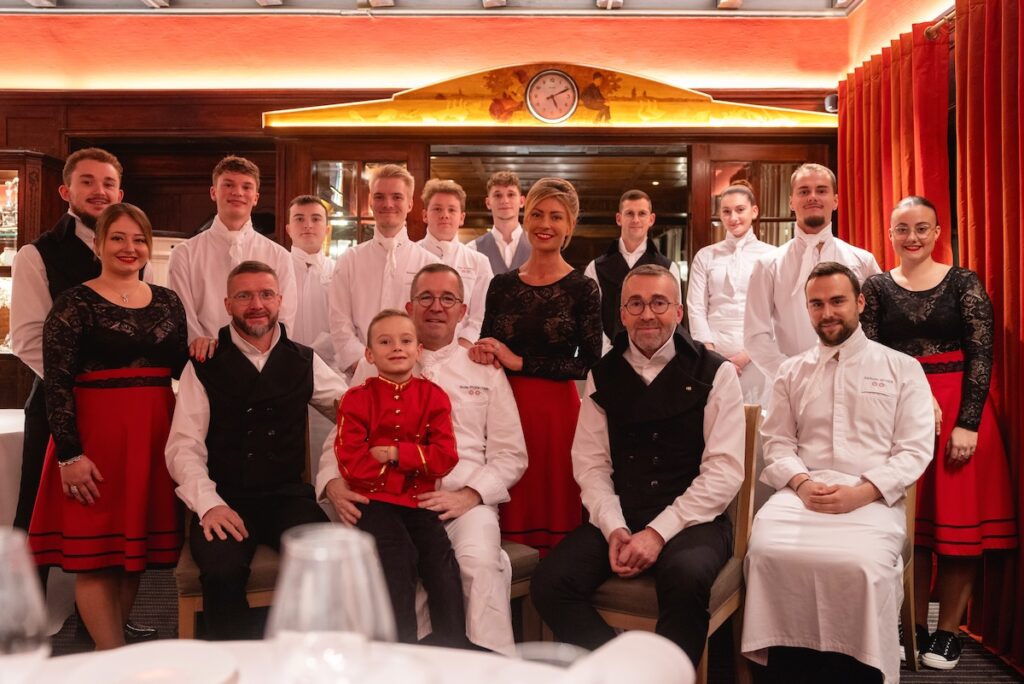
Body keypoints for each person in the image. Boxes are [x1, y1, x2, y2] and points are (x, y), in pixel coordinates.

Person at [531, 264, 745, 665]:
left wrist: (658, 534)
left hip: (692, 520)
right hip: (622, 513)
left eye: (659, 303)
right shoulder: (603, 373)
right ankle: (621, 671)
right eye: (636, 304)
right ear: (623, 314)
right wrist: (614, 526)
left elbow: (724, 471)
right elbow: (591, 464)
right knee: (550, 583)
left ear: (678, 312)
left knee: (685, 579)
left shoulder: (716, 372)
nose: (648, 314)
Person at [318, 264, 528, 654]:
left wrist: (470, 496)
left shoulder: (483, 368)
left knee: (478, 563)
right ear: (410, 306)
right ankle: (393, 666)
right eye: (426, 297)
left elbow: (511, 453)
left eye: (447, 298)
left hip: (463, 502)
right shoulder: (375, 362)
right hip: (388, 498)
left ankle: (484, 669)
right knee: (384, 563)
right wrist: (331, 484)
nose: (436, 306)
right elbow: (341, 436)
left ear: (462, 311)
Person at [742, 262, 934, 684]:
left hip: (873, 500)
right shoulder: (791, 371)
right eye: (817, 304)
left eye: (837, 301)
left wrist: (862, 492)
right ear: (807, 310)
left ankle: (857, 670)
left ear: (859, 303)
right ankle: (785, 670)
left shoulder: (902, 368)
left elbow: (914, 449)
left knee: (859, 565)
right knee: (767, 553)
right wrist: (802, 484)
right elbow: (777, 442)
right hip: (801, 495)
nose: (827, 312)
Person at [861, 196, 1017, 670]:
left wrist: (967, 423)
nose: (912, 237)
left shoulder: (964, 282)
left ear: (936, 233)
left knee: (957, 529)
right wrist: (912, 391)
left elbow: (982, 354)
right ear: (891, 234)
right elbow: (868, 353)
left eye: (921, 228)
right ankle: (911, 626)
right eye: (902, 229)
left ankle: (948, 632)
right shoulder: (876, 287)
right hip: (895, 412)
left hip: (959, 411)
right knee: (908, 528)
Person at [10, 148, 157, 643]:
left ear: (121, 192)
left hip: (123, 412)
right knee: (36, 518)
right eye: (88, 181)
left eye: (108, 183)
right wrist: (78, 388)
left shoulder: (132, 248)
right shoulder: (37, 254)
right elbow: (27, 338)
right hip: (58, 406)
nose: (100, 191)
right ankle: (24, 629)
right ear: (65, 191)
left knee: (114, 516)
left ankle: (104, 625)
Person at [26, 203, 186, 650]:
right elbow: (56, 384)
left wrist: (209, 346)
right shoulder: (73, 303)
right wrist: (70, 456)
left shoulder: (169, 301)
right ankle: (111, 658)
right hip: (94, 442)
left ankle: (108, 654)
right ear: (98, 245)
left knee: (133, 555)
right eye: (117, 237)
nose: (128, 247)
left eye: (138, 239)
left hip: (153, 439)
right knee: (96, 558)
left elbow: (181, 366)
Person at [165, 260, 347, 640]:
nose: (257, 305)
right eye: (244, 296)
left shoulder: (304, 359)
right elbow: (183, 447)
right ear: (227, 304)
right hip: (225, 497)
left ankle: (307, 656)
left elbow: (353, 413)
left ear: (279, 300)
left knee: (328, 560)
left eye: (266, 294)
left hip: (287, 497)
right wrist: (209, 504)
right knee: (222, 571)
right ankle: (235, 661)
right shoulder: (204, 363)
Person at [470, 177, 602, 555]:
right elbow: (487, 345)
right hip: (503, 409)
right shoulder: (501, 285)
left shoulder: (583, 288)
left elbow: (589, 363)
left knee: (555, 515)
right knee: (502, 524)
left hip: (557, 416)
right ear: (525, 219)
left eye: (556, 217)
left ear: (569, 225)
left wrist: (520, 361)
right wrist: (481, 352)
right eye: (538, 214)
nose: (546, 224)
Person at [334, 310, 468, 647]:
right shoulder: (356, 399)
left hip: (419, 501)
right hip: (374, 503)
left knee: (441, 560)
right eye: (385, 342)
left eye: (405, 340)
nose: (397, 347)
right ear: (369, 354)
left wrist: (396, 453)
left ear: (418, 350)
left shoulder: (434, 396)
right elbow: (351, 463)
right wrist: (408, 475)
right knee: (397, 557)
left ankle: (453, 647)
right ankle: (400, 650)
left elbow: (445, 457)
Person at [743, 163, 881, 383]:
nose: (813, 197)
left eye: (821, 190)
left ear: (835, 201)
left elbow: (878, 323)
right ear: (791, 202)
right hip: (791, 384)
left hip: (854, 380)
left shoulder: (863, 261)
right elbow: (755, 335)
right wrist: (790, 374)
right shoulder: (768, 265)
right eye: (804, 191)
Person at [167, 155, 297, 358]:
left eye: (246, 187)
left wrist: (266, 355)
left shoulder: (279, 255)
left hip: (264, 359)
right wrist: (202, 348)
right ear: (213, 192)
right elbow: (182, 316)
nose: (238, 192)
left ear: (256, 197)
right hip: (205, 359)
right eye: (228, 185)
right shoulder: (184, 254)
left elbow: (285, 317)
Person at [329, 164, 439, 376]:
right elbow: (339, 321)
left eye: (397, 197)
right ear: (371, 202)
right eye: (379, 197)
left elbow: (433, 324)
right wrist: (365, 365)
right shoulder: (349, 260)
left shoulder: (429, 264)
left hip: (416, 373)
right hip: (362, 373)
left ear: (410, 204)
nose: (388, 204)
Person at [687, 181, 776, 404]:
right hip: (713, 353)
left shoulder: (772, 256)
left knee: (757, 417)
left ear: (754, 211)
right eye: (726, 211)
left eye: (740, 210)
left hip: (758, 355)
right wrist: (711, 354)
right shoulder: (705, 256)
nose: (733, 217)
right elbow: (696, 308)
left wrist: (746, 356)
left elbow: (777, 311)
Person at [584, 189, 681, 353]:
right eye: (629, 213)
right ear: (619, 218)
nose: (636, 219)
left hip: (655, 353)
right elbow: (591, 319)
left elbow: (673, 317)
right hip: (608, 355)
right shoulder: (595, 268)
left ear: (651, 219)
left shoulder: (669, 268)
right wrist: (607, 353)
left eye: (642, 213)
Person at [284, 194, 336, 470]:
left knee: (325, 453)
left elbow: (342, 322)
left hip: (328, 371)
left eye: (316, 219)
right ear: (288, 228)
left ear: (326, 229)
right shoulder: (277, 268)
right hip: (283, 370)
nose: (308, 225)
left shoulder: (339, 271)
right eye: (299, 219)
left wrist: (310, 355)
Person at [416, 179, 493, 346]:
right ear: (425, 215)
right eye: (437, 209)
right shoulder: (409, 256)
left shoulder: (479, 262)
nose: (445, 215)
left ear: (462, 218)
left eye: (452, 210)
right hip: (414, 349)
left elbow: (482, 315)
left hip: (463, 350)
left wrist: (463, 346)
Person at [468, 170, 530, 275]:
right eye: (498, 195)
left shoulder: (538, 247)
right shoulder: (472, 249)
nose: (505, 201)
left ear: (522, 201)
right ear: (488, 203)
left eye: (511, 194)